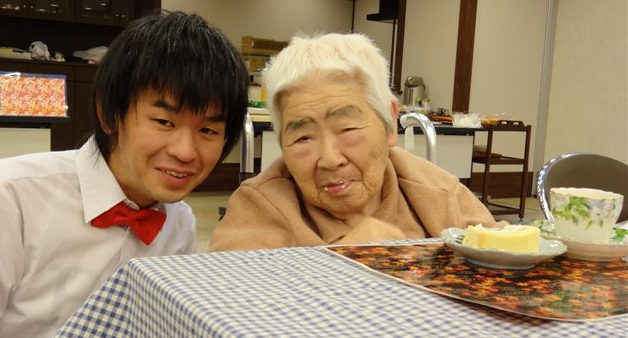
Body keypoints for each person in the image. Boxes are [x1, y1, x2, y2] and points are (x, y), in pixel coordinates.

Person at [0, 11, 248, 338]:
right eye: (164, 121)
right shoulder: (6, 199)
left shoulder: (179, 223)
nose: (186, 151)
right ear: (109, 113)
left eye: (208, 131)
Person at [210, 32, 500, 251]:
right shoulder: (259, 206)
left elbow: (505, 256)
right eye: (303, 137)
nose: (330, 159)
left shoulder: (436, 193)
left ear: (389, 124)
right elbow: (225, 297)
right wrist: (346, 259)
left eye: (347, 129)